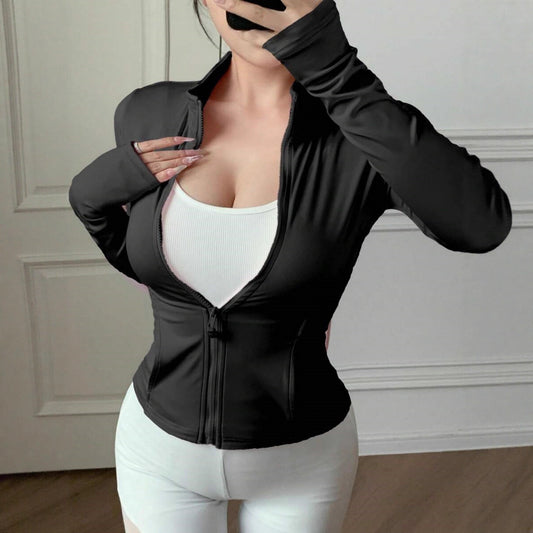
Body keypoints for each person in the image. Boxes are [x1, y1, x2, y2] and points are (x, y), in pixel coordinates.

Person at [68, 0, 513, 532]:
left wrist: (335, 68)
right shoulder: (146, 111)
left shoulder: (361, 132)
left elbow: (480, 225)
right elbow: (150, 268)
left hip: (302, 459)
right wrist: (88, 199)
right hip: (157, 449)